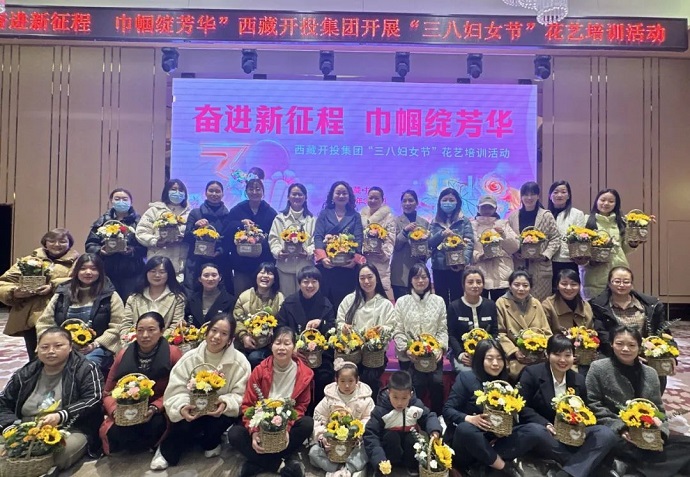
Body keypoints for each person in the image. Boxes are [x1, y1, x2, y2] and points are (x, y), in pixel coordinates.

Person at [150, 314, 250, 470]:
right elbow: (175, 390)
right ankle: (165, 452)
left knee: (216, 426)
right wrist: (183, 406)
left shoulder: (240, 362)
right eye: (214, 330)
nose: (217, 337)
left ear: (230, 339)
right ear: (206, 332)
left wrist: (225, 403)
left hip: (218, 413)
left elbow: (241, 394)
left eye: (224, 334)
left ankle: (211, 442)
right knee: (184, 425)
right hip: (192, 409)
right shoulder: (190, 358)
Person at [586, 325, 690, 477]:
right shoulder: (598, 368)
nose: (625, 349)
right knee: (621, 444)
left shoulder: (650, 373)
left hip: (647, 433)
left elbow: (659, 410)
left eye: (631, 345)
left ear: (639, 347)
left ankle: (635, 471)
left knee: (686, 444)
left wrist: (661, 433)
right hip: (617, 433)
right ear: (612, 344)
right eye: (620, 344)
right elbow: (593, 404)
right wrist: (621, 427)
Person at [442, 339, 553, 477]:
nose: (495, 363)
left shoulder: (506, 383)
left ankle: (485, 466)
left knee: (534, 430)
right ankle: (504, 468)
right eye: (490, 359)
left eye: (499, 359)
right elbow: (447, 410)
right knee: (466, 429)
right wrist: (469, 419)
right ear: (480, 360)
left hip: (495, 442)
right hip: (469, 443)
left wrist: (506, 429)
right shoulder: (466, 378)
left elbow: (516, 412)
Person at [0, 327, 104, 469]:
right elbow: (3, 402)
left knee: (55, 455)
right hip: (24, 426)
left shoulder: (85, 368)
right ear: (37, 348)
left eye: (58, 346)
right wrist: (11, 427)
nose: (50, 351)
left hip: (70, 427)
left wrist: (61, 415)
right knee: (10, 451)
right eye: (44, 347)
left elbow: (93, 399)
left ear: (70, 347)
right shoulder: (25, 372)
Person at [518, 335, 619, 477]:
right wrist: (545, 424)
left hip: (572, 434)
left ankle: (566, 473)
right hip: (546, 433)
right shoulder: (532, 373)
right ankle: (589, 468)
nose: (563, 360)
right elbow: (522, 406)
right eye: (557, 355)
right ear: (547, 354)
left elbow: (586, 409)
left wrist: (579, 424)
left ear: (573, 356)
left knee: (605, 433)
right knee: (536, 432)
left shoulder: (578, 379)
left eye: (567, 355)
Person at [227, 326, 314, 477]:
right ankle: (279, 465)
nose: (282, 348)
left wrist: (286, 429)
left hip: (286, 423)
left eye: (287, 343)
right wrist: (254, 432)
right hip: (261, 423)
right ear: (271, 345)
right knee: (234, 434)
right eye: (277, 343)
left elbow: (301, 407)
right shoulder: (260, 370)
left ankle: (257, 463)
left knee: (307, 423)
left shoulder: (305, 374)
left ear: (294, 347)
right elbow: (248, 404)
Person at [100, 311, 183, 455]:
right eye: (140, 330)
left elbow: (178, 389)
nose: (145, 335)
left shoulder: (173, 353)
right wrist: (115, 411)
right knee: (116, 432)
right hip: (126, 409)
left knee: (155, 426)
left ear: (162, 331)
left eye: (151, 330)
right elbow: (108, 392)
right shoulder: (123, 354)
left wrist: (154, 408)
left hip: (158, 409)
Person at [0, 228, 80, 360]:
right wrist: (14, 292)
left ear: (69, 243)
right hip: (30, 315)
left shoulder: (77, 262)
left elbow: (79, 281)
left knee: (63, 354)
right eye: (52, 241)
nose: (57, 244)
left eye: (62, 241)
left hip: (61, 313)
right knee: (35, 355)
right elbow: (3, 282)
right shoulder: (28, 261)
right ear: (45, 243)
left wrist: (53, 286)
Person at [36, 253, 124, 370]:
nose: (88, 272)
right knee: (37, 366)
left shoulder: (110, 295)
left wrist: (95, 344)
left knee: (84, 366)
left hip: (97, 347)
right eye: (83, 268)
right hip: (61, 345)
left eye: (93, 269)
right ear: (76, 271)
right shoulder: (62, 293)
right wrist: (56, 344)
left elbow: (118, 326)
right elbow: (45, 322)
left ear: (100, 272)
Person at [276, 265, 335, 413]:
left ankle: (319, 412)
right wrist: (291, 348)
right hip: (294, 354)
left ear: (319, 283)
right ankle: (293, 412)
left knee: (324, 375)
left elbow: (333, 329)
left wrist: (321, 323)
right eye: (306, 281)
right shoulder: (289, 303)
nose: (310, 285)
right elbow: (280, 328)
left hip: (320, 356)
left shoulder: (326, 303)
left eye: (314, 281)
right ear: (299, 283)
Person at [337, 264, 397, 400]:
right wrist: (343, 328)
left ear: (377, 278)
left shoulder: (385, 304)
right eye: (362, 278)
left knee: (370, 378)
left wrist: (383, 329)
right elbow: (339, 321)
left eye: (370, 277)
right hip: (352, 353)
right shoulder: (349, 300)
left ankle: (370, 407)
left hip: (374, 355)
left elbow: (392, 326)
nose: (366, 281)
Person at [364, 370, 442, 475]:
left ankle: (411, 466)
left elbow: (429, 416)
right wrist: (379, 459)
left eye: (404, 398)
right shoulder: (381, 411)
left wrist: (434, 430)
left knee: (413, 437)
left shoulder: (416, 406)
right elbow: (370, 434)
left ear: (411, 394)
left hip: (409, 452)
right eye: (395, 397)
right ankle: (391, 468)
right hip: (388, 454)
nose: (399, 403)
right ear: (389, 393)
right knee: (392, 437)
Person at [393, 263, 447, 415]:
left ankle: (438, 416)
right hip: (410, 357)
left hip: (433, 355)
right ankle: (412, 417)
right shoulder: (402, 301)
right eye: (416, 277)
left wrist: (440, 348)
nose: (421, 281)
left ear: (429, 279)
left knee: (437, 383)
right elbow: (397, 331)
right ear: (410, 280)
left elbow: (442, 329)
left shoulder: (439, 301)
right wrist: (407, 349)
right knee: (415, 384)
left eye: (424, 277)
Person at [309, 359, 374, 477]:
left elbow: (369, 418)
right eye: (342, 381)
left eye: (351, 381)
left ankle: (349, 469)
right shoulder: (329, 398)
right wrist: (323, 436)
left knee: (368, 448)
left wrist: (358, 432)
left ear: (357, 380)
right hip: (333, 444)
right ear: (336, 380)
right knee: (313, 452)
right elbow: (318, 418)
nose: (347, 385)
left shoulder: (365, 399)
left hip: (355, 443)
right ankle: (337, 470)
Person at [589, 266, 668, 358]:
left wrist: (670, 356)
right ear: (609, 284)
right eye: (617, 281)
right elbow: (602, 334)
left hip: (647, 351)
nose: (621, 285)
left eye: (626, 282)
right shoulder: (598, 306)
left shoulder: (651, 304)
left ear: (632, 284)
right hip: (612, 352)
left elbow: (663, 331)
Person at [85, 187, 146, 302]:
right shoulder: (102, 221)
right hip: (107, 272)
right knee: (108, 304)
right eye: (117, 199)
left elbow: (146, 247)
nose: (121, 202)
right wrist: (100, 251)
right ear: (111, 201)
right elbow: (90, 245)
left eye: (125, 199)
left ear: (131, 201)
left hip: (133, 273)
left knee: (130, 304)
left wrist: (132, 251)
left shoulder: (140, 222)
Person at [580, 189, 639, 300]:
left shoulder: (622, 222)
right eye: (602, 200)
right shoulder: (585, 221)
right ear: (596, 201)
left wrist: (633, 244)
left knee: (618, 305)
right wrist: (589, 261)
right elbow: (580, 249)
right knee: (594, 306)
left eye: (611, 201)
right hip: (594, 273)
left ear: (616, 204)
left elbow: (625, 250)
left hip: (618, 271)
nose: (606, 203)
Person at [313, 181, 364, 309]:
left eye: (344, 193)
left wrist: (355, 260)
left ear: (349, 196)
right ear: (332, 196)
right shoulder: (324, 214)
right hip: (327, 267)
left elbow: (359, 239)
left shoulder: (355, 216)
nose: (341, 196)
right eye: (338, 193)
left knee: (347, 304)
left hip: (348, 267)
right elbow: (318, 237)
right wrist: (322, 258)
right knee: (326, 304)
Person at [507, 181, 561, 301]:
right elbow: (509, 240)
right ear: (521, 197)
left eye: (533, 194)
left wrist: (545, 255)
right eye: (526, 194)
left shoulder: (546, 215)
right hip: (519, 265)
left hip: (540, 267)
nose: (529, 198)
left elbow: (555, 238)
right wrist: (514, 253)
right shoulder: (513, 216)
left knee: (540, 303)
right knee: (519, 301)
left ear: (538, 196)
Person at [497, 270, 552, 381]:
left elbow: (546, 331)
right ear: (510, 286)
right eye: (516, 285)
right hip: (515, 358)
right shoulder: (501, 303)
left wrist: (542, 349)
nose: (521, 289)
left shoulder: (536, 303)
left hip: (539, 356)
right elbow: (500, 334)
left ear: (530, 287)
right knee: (523, 374)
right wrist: (514, 351)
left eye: (525, 285)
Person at [226, 179, 278, 295]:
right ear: (246, 192)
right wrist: (241, 224)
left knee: (263, 297)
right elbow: (227, 231)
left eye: (258, 189)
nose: (254, 192)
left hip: (263, 266)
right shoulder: (237, 210)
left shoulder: (270, 212)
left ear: (263, 192)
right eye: (251, 189)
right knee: (241, 297)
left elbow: (275, 236)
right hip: (241, 265)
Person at [135, 179, 192, 283]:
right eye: (173, 189)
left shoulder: (190, 213)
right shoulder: (154, 211)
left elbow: (194, 236)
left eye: (181, 190)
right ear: (166, 191)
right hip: (158, 265)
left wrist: (185, 238)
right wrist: (155, 241)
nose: (177, 193)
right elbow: (141, 232)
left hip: (181, 268)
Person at [119, 256, 186, 341]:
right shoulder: (134, 298)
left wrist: (155, 341)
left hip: (164, 343)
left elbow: (175, 326)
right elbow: (125, 325)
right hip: (135, 342)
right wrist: (134, 339)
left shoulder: (177, 299)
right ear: (146, 273)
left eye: (162, 272)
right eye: (153, 271)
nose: (157, 275)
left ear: (169, 274)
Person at [233, 262, 285, 368]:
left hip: (268, 344)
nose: (265, 276)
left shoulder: (279, 298)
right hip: (244, 341)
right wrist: (244, 336)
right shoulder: (245, 296)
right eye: (262, 272)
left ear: (275, 279)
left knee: (254, 357)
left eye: (269, 273)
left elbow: (282, 322)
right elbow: (237, 319)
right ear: (256, 276)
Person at [182, 180, 230, 294]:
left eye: (217, 191)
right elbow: (187, 238)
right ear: (205, 193)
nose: (214, 194)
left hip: (220, 259)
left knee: (220, 294)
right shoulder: (195, 213)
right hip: (196, 261)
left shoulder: (228, 215)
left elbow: (228, 240)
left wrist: (219, 251)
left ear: (222, 194)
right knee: (193, 293)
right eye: (211, 191)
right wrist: (196, 226)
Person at [268, 183, 316, 297]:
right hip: (284, 267)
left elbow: (316, 241)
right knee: (287, 299)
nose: (297, 197)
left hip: (305, 269)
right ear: (288, 197)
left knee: (306, 299)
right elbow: (273, 239)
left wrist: (308, 252)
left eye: (300, 194)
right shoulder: (279, 218)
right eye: (294, 194)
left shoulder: (312, 219)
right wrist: (278, 252)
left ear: (305, 197)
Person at [429, 187, 474, 306]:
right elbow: (430, 243)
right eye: (445, 200)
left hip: (457, 268)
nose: (447, 203)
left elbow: (469, 243)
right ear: (439, 202)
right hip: (439, 267)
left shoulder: (464, 221)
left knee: (457, 299)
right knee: (440, 300)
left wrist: (463, 262)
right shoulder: (434, 222)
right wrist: (442, 234)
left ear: (457, 202)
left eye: (451, 200)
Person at [447, 268, 498, 372]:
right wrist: (460, 354)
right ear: (463, 285)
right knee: (467, 373)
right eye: (470, 282)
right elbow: (451, 335)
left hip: (487, 353)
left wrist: (489, 353)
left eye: (479, 282)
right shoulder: (454, 306)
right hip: (464, 354)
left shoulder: (490, 305)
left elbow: (494, 332)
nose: (475, 286)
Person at [471, 195, 520, 300]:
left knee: (502, 307)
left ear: (495, 209)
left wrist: (503, 235)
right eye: (484, 207)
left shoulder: (504, 224)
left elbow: (514, 247)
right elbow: (466, 249)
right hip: (478, 275)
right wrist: (478, 256)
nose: (487, 210)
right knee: (480, 308)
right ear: (478, 208)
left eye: (490, 207)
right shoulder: (471, 226)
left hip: (501, 275)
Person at [391, 190, 430, 300]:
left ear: (417, 203)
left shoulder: (424, 223)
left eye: (411, 200)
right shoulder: (395, 222)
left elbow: (430, 247)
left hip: (419, 272)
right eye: (404, 201)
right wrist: (404, 231)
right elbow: (395, 245)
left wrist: (424, 255)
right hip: (400, 272)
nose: (407, 203)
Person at [547, 181, 587, 291]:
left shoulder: (577, 214)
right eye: (555, 192)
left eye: (563, 192)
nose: (559, 195)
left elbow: (581, 238)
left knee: (569, 291)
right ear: (550, 196)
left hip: (570, 261)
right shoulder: (545, 214)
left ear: (568, 195)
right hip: (548, 262)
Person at [360, 186, 396, 301]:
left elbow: (390, 239)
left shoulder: (389, 217)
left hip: (380, 261)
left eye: (376, 198)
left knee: (381, 296)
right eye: (371, 198)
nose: (373, 201)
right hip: (363, 260)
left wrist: (383, 253)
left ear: (382, 200)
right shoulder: (361, 216)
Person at [184, 263, 236, 328]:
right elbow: (187, 321)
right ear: (199, 279)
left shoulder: (230, 301)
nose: (210, 279)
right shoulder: (192, 300)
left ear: (220, 277)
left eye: (214, 275)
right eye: (206, 275)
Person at [543, 269, 594, 334]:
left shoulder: (585, 305)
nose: (569, 288)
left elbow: (591, 332)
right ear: (557, 286)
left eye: (573, 284)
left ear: (579, 286)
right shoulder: (548, 305)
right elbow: (545, 333)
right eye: (564, 284)